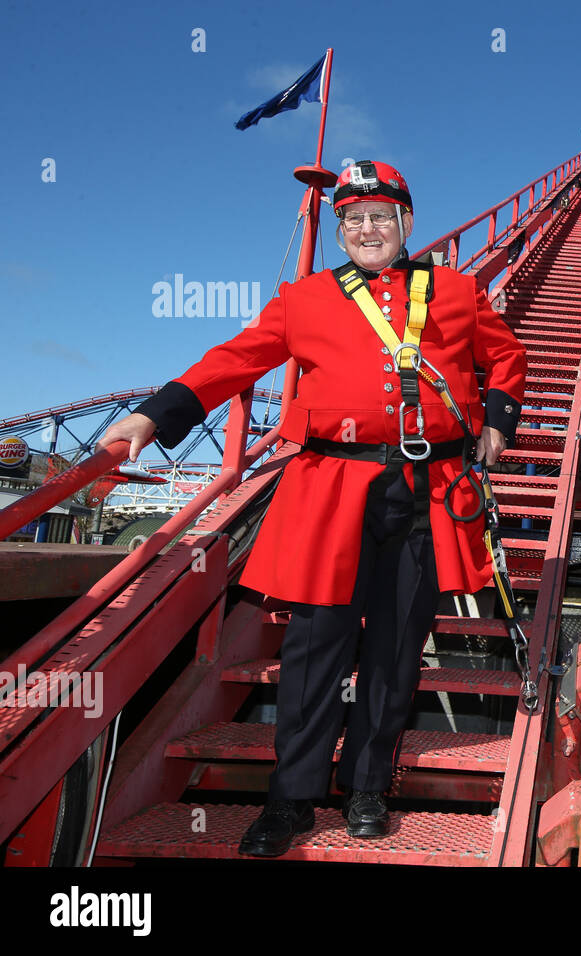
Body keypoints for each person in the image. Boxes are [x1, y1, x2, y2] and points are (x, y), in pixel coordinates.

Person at [100, 161, 526, 856]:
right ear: (340, 231)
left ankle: (366, 788)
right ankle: (291, 800)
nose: (368, 229)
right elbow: (236, 359)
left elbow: (508, 358)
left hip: (426, 489)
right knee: (312, 648)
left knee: (395, 647)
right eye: (353, 219)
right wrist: (156, 415)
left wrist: (498, 423)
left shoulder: (457, 290)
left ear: (406, 224)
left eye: (381, 217)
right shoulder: (304, 299)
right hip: (330, 488)